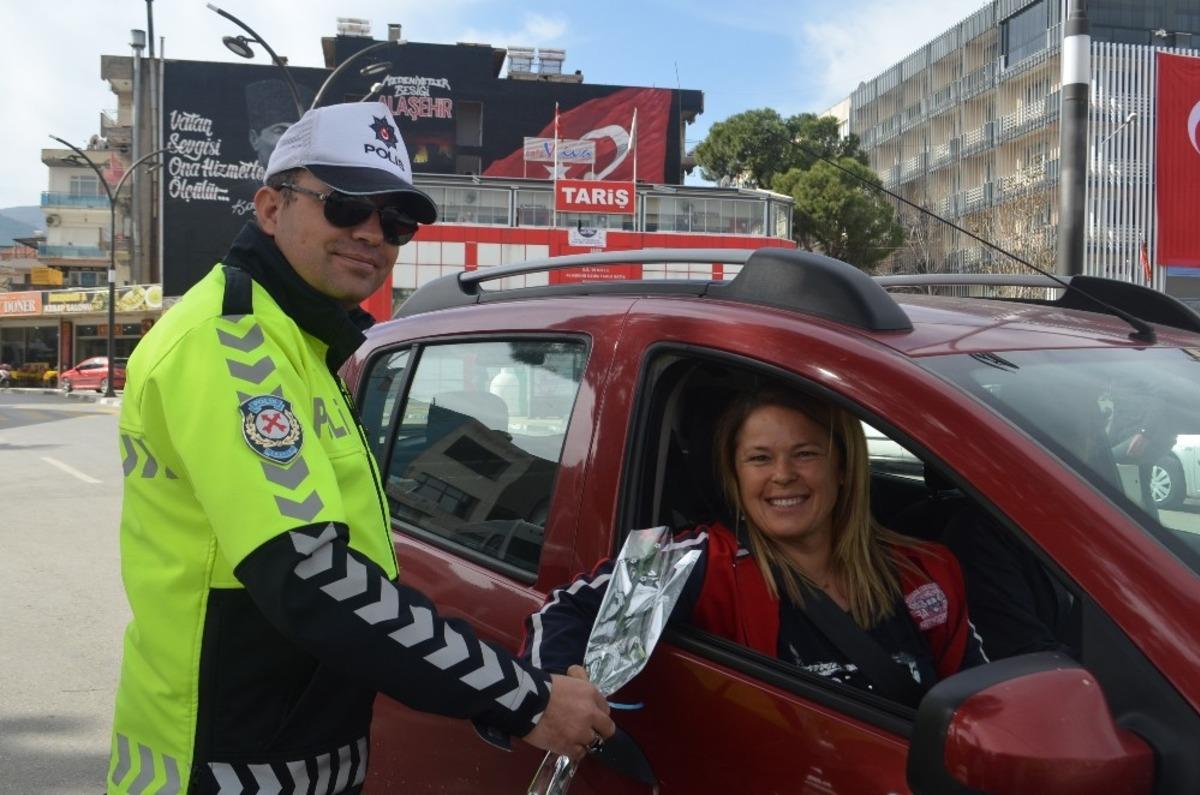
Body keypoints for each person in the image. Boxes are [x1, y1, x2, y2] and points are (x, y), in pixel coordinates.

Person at [107, 102, 612, 795]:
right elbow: (312, 577)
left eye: (396, 220)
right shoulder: (231, 342)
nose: (372, 233)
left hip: (289, 760)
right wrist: (522, 695)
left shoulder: (303, 342)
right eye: (345, 205)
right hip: (219, 768)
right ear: (269, 206)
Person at [525, 388, 986, 703]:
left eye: (805, 454)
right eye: (760, 458)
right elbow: (564, 609)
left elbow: (976, 706)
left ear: (842, 468)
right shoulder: (702, 563)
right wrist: (559, 699)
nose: (783, 474)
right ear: (736, 477)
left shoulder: (925, 570)